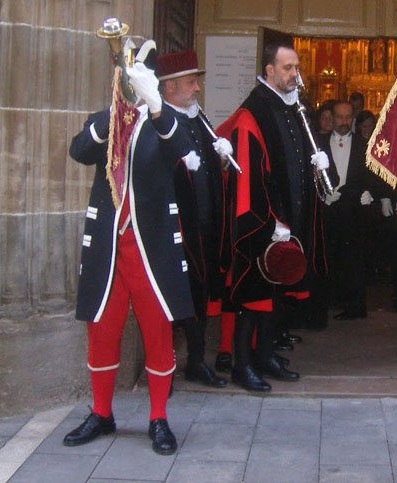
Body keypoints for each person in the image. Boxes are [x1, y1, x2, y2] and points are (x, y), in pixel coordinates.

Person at [63, 39, 198, 455]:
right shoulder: (104, 120)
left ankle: (158, 417)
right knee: (101, 332)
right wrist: (113, 115)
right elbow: (80, 150)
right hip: (108, 249)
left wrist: (155, 105)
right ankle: (102, 413)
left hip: (150, 249)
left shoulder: (167, 121)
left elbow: (185, 153)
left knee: (158, 331)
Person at [216, 41, 328, 392]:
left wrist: (314, 169)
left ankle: (264, 356)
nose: (295, 74)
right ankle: (242, 364)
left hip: (287, 221)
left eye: (296, 67)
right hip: (264, 223)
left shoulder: (290, 107)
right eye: (287, 68)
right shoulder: (255, 111)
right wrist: (272, 220)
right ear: (269, 71)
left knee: (275, 297)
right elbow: (249, 172)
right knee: (253, 296)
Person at [156, 50, 232, 389]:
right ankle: (164, 366)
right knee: (171, 300)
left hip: (203, 226)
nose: (197, 88)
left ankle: (196, 360)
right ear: (169, 87)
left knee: (199, 295)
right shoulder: (158, 123)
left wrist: (223, 159)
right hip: (174, 230)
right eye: (191, 82)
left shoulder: (195, 118)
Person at [318, 100, 372, 321]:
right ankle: (327, 301)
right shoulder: (319, 143)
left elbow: (372, 175)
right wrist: (323, 194)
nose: (343, 122)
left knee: (354, 258)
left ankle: (355, 306)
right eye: (339, 117)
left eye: (347, 117)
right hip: (328, 208)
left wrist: (370, 193)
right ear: (332, 117)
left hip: (353, 207)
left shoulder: (364, 144)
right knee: (328, 255)